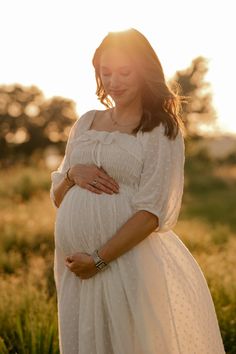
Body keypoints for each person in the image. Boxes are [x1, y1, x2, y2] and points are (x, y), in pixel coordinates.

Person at [49, 28, 226, 354]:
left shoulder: (161, 130)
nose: (114, 81)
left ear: (144, 70)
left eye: (124, 72)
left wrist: (99, 260)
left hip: (124, 263)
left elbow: (152, 212)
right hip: (76, 269)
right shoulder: (86, 122)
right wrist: (73, 174)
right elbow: (59, 198)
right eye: (106, 72)